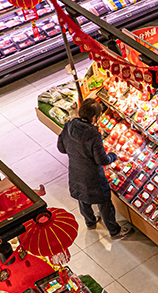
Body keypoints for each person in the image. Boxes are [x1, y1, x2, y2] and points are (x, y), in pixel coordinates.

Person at [57, 98, 133, 239]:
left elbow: (61, 148)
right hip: (93, 176)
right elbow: (101, 160)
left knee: (83, 199)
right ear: (94, 117)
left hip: (75, 171)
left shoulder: (68, 126)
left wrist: (75, 153)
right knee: (104, 202)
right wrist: (112, 156)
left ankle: (90, 222)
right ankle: (114, 231)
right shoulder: (93, 134)